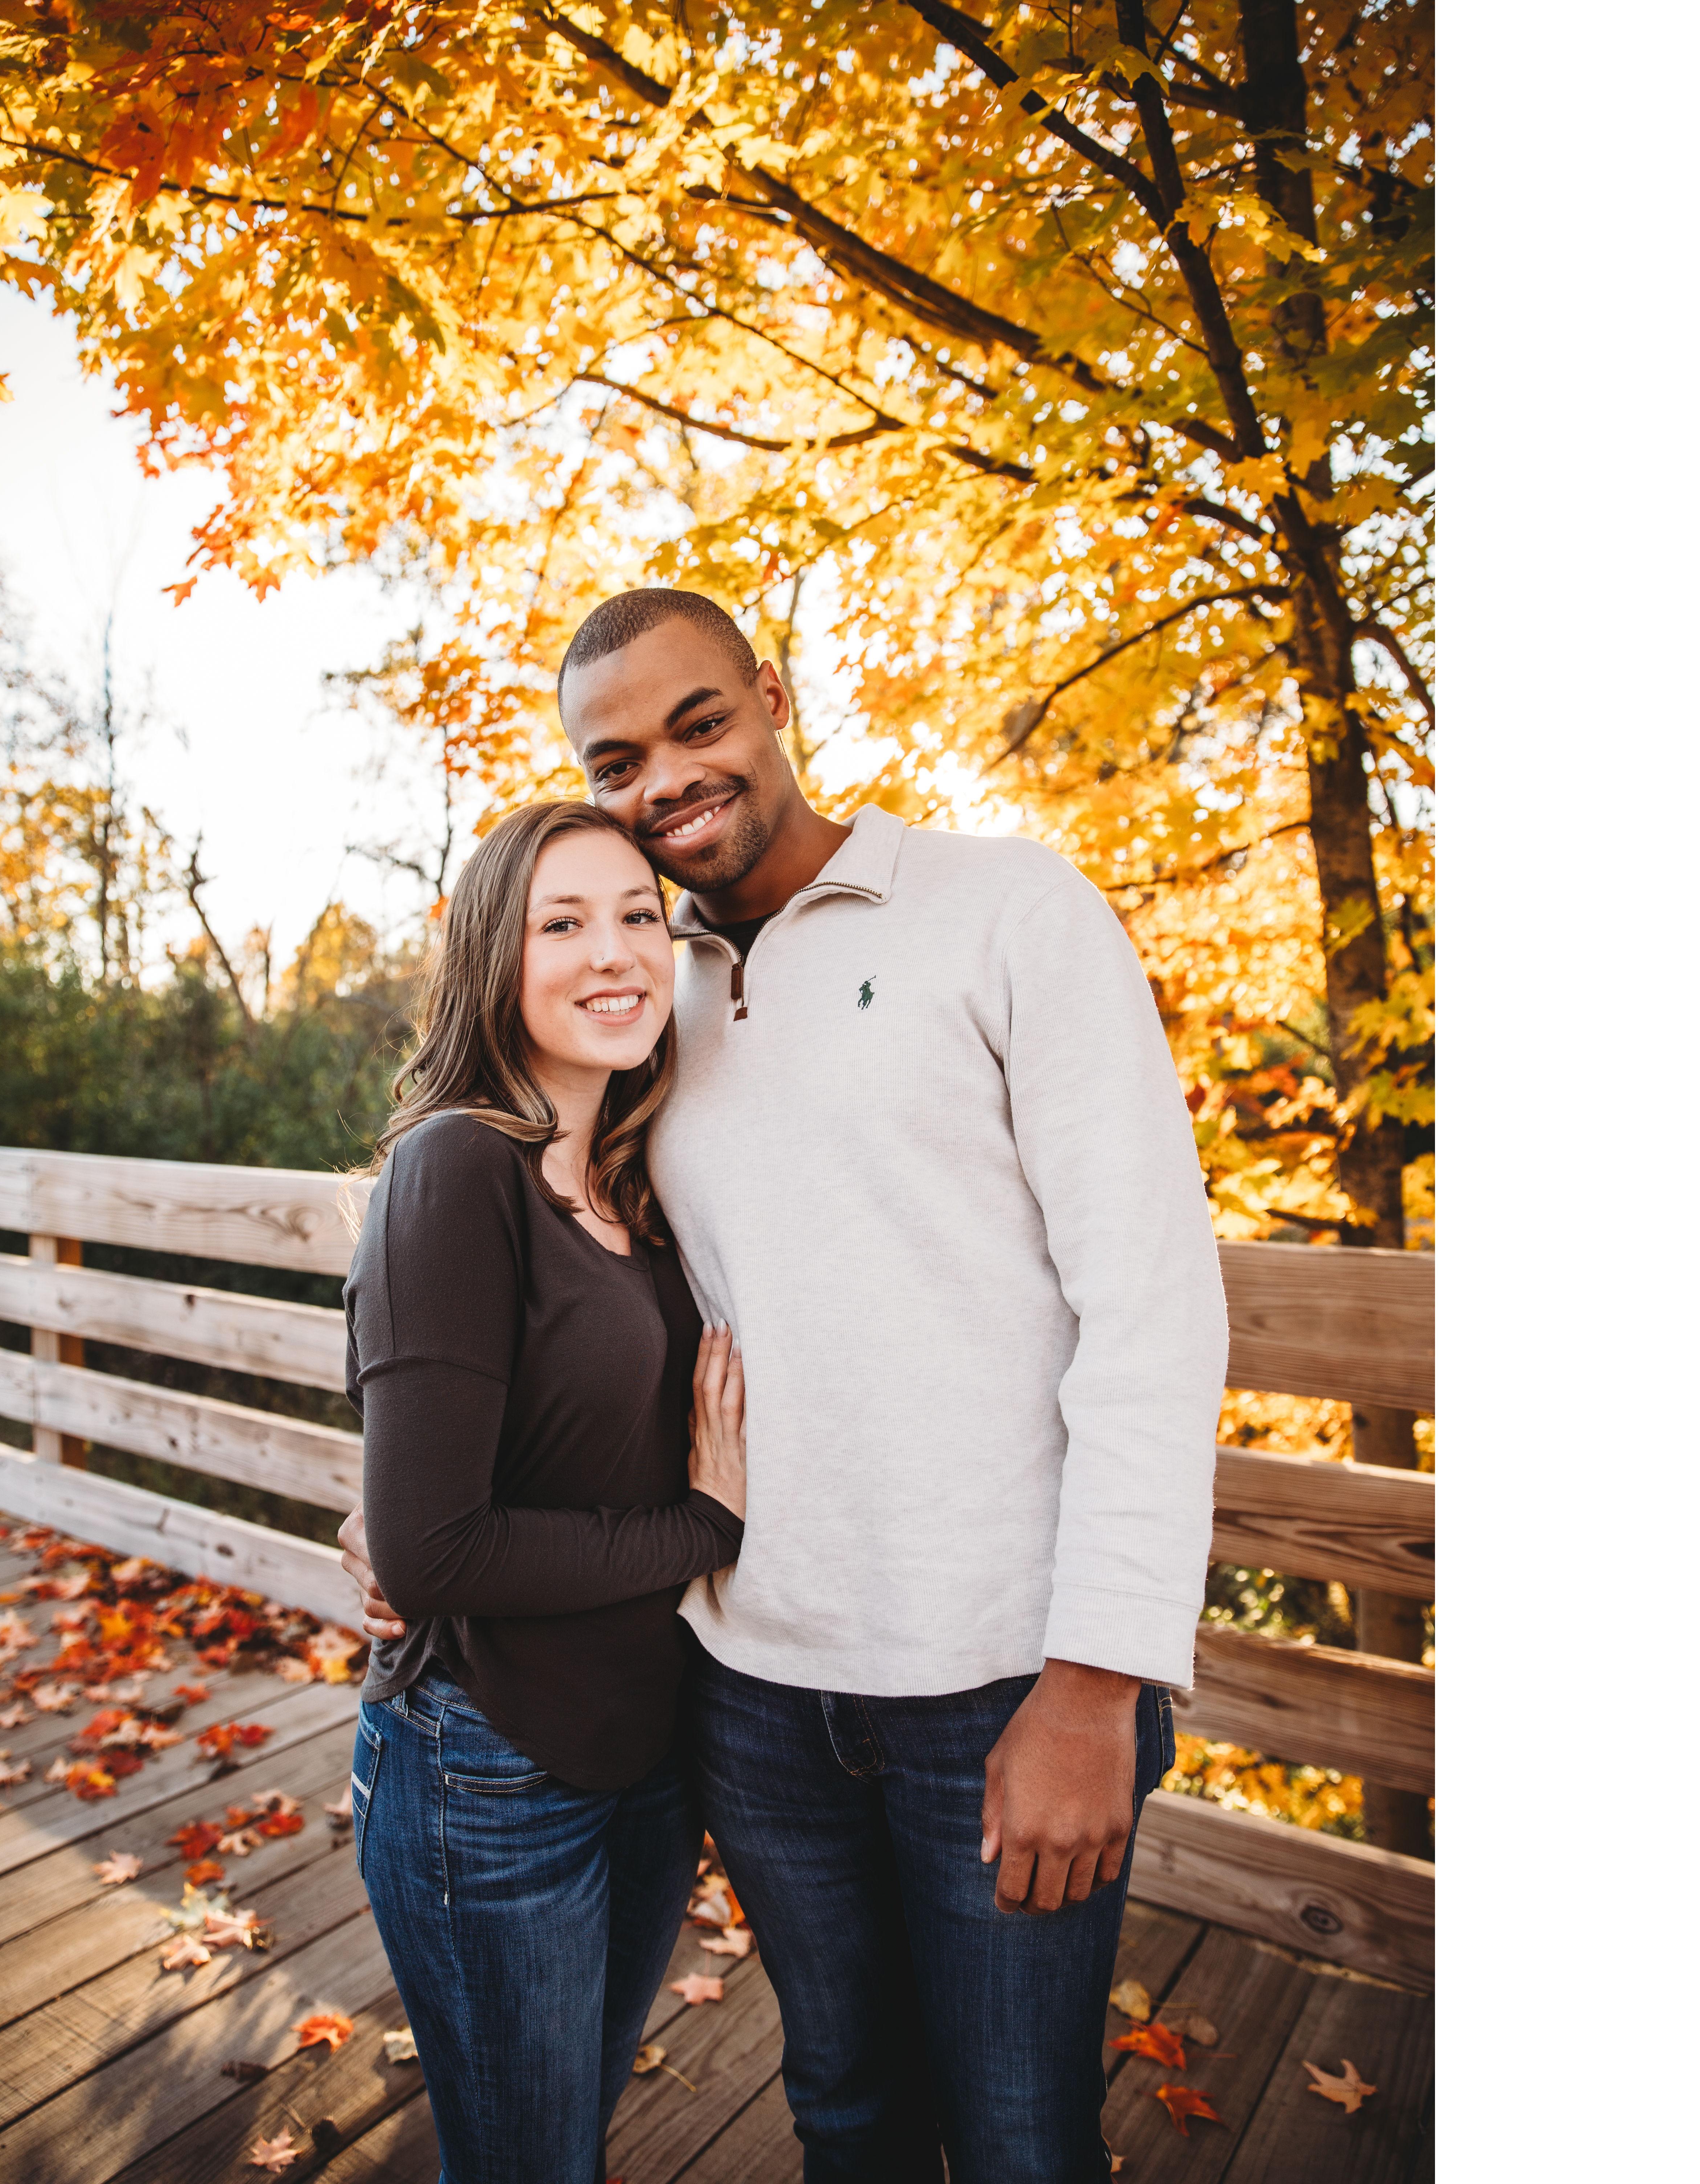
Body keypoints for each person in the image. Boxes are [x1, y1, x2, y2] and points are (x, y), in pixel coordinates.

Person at [347, 586, 1227, 2184]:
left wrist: (1101, 1674)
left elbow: (1155, 1312)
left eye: (698, 722)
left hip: (1003, 1680)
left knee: (1026, 2141)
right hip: (749, 1690)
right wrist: (405, 1506)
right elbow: (561, 1281)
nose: (667, 777)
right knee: (844, 2114)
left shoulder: (1008, 910)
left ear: (770, 693)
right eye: (615, 760)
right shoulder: (639, 995)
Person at [337, 797, 749, 2184]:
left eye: (639, 914)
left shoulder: (636, 1175)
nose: (614, 951)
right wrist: (702, 1529)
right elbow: (436, 1550)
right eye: (560, 923)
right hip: (486, 1762)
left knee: (565, 2144)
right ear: (489, 961)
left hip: (644, 1748)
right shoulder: (459, 1166)